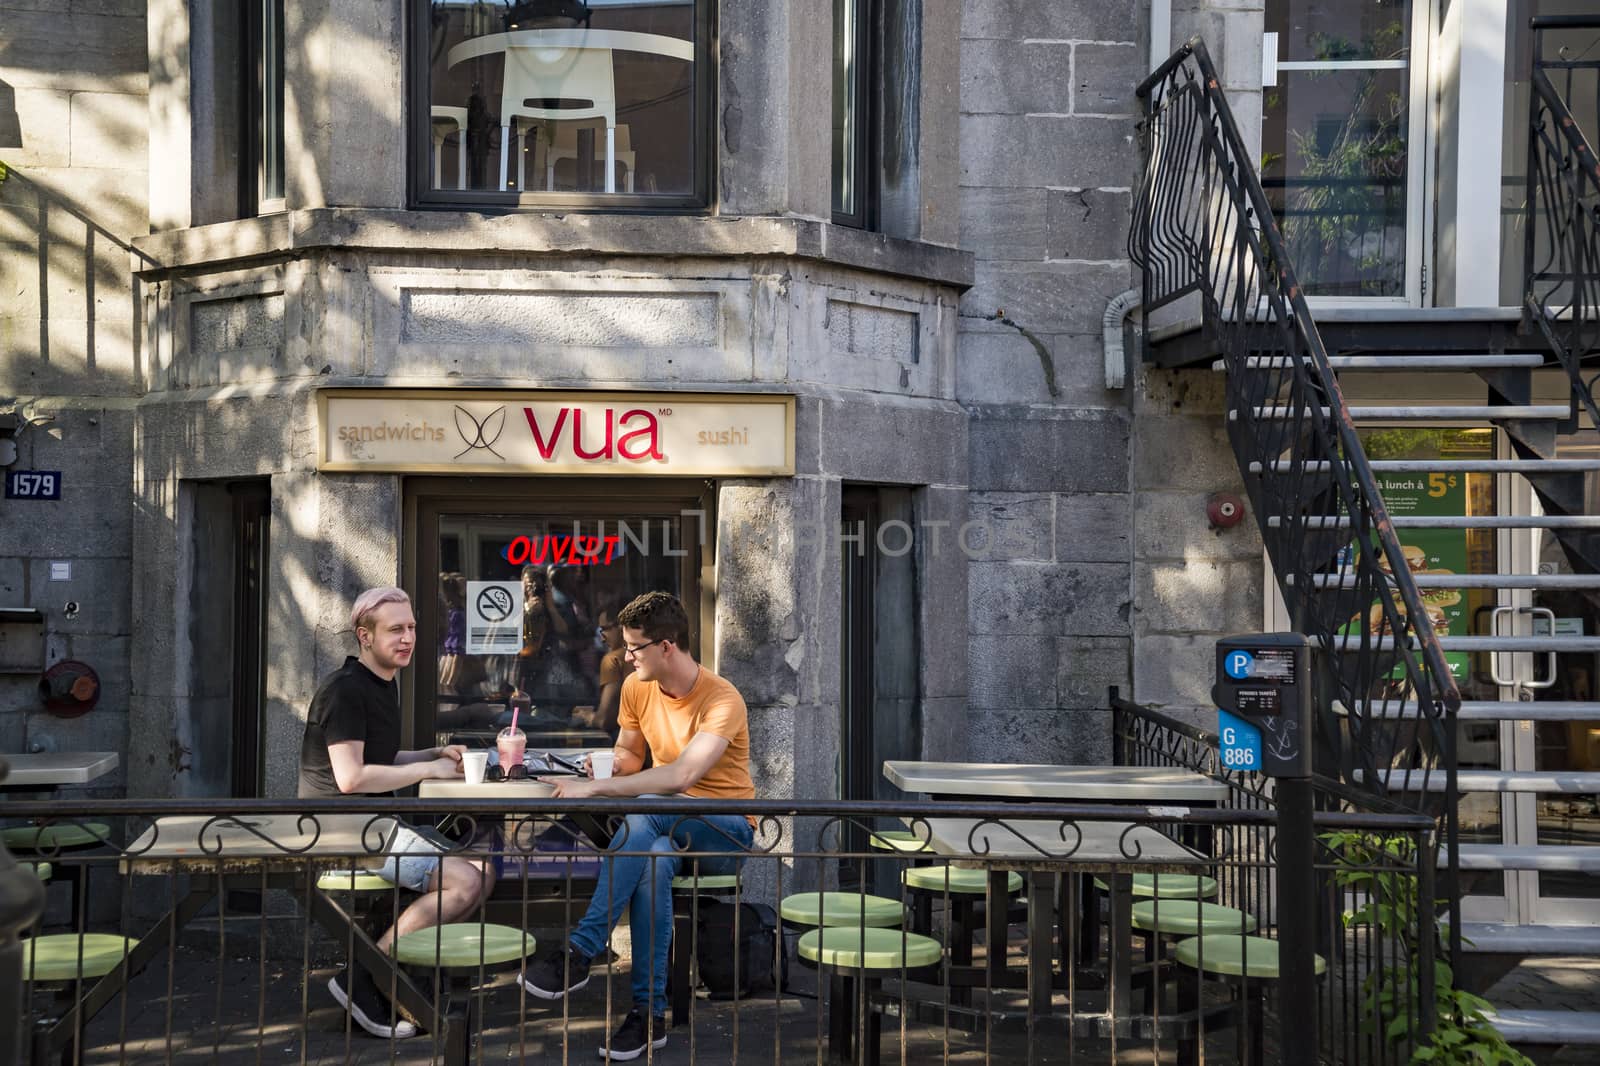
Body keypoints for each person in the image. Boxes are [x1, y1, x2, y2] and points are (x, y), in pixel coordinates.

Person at [521, 591, 755, 1061]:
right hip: (662, 827)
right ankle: (649, 1016)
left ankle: (581, 949)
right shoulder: (636, 687)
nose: (624, 657)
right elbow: (631, 756)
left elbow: (683, 776)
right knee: (653, 862)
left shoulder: (721, 697)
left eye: (634, 647)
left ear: (667, 646)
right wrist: (602, 768)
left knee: (648, 805)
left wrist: (597, 792)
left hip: (724, 830)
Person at [298, 586, 496, 1040]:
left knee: (483, 871)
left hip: (374, 824)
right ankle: (368, 979)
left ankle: (404, 977)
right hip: (347, 831)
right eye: (395, 630)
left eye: (411, 628)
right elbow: (350, 778)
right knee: (465, 880)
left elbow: (379, 759)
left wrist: (428, 755)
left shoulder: (380, 682)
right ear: (364, 636)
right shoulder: (346, 691)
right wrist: (428, 767)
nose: (407, 638)